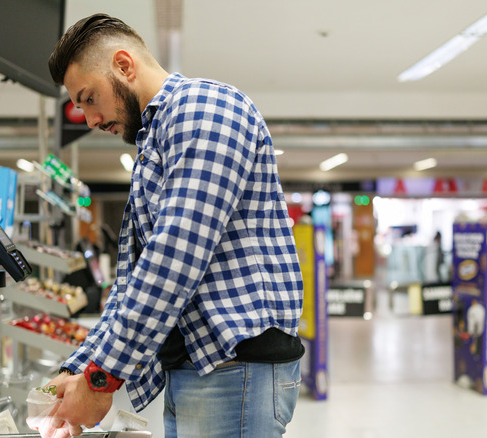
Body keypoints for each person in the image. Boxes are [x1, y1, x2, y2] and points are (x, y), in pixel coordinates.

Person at [40, 13, 304, 438]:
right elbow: (134, 281)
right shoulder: (155, 139)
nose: (89, 120)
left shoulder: (206, 108)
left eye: (89, 98)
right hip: (198, 369)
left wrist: (101, 379)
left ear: (124, 65)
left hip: (234, 372)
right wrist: (78, 370)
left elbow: (174, 258)